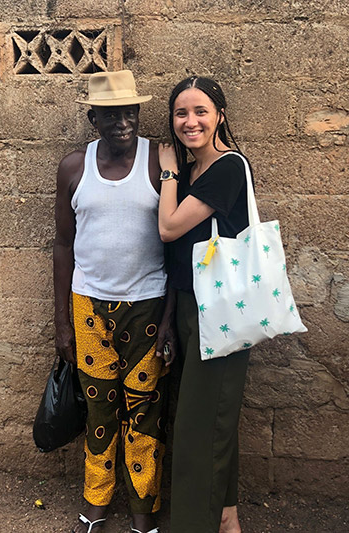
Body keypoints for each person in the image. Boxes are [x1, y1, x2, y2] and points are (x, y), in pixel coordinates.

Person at [53, 70, 175, 533]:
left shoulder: (159, 163)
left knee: (145, 413)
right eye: (110, 114)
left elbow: (177, 247)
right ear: (93, 118)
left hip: (147, 307)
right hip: (89, 309)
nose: (122, 122)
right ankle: (95, 506)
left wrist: (168, 320)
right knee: (99, 410)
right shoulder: (73, 167)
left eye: (129, 112)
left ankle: (144, 513)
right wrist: (62, 323)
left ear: (139, 114)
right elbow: (63, 244)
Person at [157, 76, 251, 533]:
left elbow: (170, 228)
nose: (190, 121)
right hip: (192, 307)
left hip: (222, 311)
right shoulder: (197, 171)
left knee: (198, 429)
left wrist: (168, 173)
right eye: (180, 113)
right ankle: (226, 519)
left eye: (200, 111)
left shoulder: (227, 168)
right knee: (212, 420)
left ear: (219, 116)